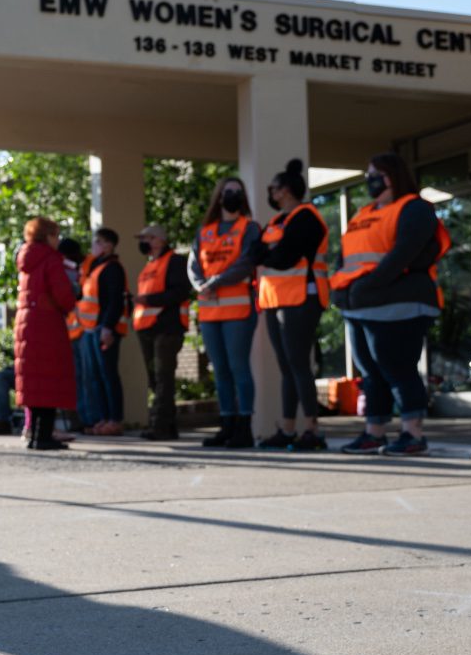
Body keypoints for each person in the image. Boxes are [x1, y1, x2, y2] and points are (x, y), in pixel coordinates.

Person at [330, 153, 450, 456]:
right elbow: (344, 259)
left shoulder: (414, 208)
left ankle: (413, 434)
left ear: (393, 176)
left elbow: (404, 254)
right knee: (370, 372)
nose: (370, 179)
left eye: (377, 173)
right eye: (368, 173)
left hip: (400, 304)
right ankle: (375, 432)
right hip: (360, 306)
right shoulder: (361, 215)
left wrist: (367, 286)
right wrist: (341, 290)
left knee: (398, 368)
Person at [255, 161, 331, 453]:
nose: (270, 193)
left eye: (272, 188)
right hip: (275, 300)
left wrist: (268, 253)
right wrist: (267, 253)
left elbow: (285, 256)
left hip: (302, 298)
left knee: (299, 364)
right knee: (287, 367)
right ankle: (288, 429)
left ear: (284, 191)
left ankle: (311, 429)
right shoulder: (276, 223)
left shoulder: (306, 218)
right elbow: (256, 253)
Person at [191, 176, 262, 448]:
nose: (232, 196)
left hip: (239, 310)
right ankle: (227, 425)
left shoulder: (250, 227)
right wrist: (201, 284)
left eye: (237, 192)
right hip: (210, 313)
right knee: (220, 370)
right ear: (219, 197)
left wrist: (215, 283)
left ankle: (244, 428)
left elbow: (246, 262)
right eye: (227, 191)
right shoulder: (205, 230)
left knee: (238, 367)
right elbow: (194, 264)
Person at [15, 217, 78, 451]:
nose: (58, 240)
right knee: (50, 378)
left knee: (35, 381)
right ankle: (43, 436)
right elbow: (62, 294)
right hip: (47, 323)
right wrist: (72, 299)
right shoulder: (50, 259)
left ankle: (35, 435)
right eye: (56, 235)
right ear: (47, 236)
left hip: (26, 323)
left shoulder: (26, 260)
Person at [132, 223, 193, 441]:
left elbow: (179, 292)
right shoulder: (149, 266)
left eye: (146, 238)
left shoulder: (175, 261)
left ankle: (160, 426)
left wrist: (148, 300)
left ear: (159, 239)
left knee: (163, 377)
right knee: (155, 380)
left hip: (167, 328)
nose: (143, 242)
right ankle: (168, 425)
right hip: (147, 329)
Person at [77, 227, 130, 435]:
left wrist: (108, 328)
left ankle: (115, 419)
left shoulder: (112, 268)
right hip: (91, 330)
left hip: (104, 330)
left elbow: (115, 301)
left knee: (108, 375)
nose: (94, 246)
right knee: (96, 376)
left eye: (98, 242)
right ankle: (103, 418)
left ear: (108, 245)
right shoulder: (95, 267)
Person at [57, 237, 101, 435]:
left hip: (85, 330)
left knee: (87, 378)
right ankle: (81, 418)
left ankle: (90, 419)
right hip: (72, 330)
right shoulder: (79, 268)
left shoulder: (90, 266)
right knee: (77, 378)